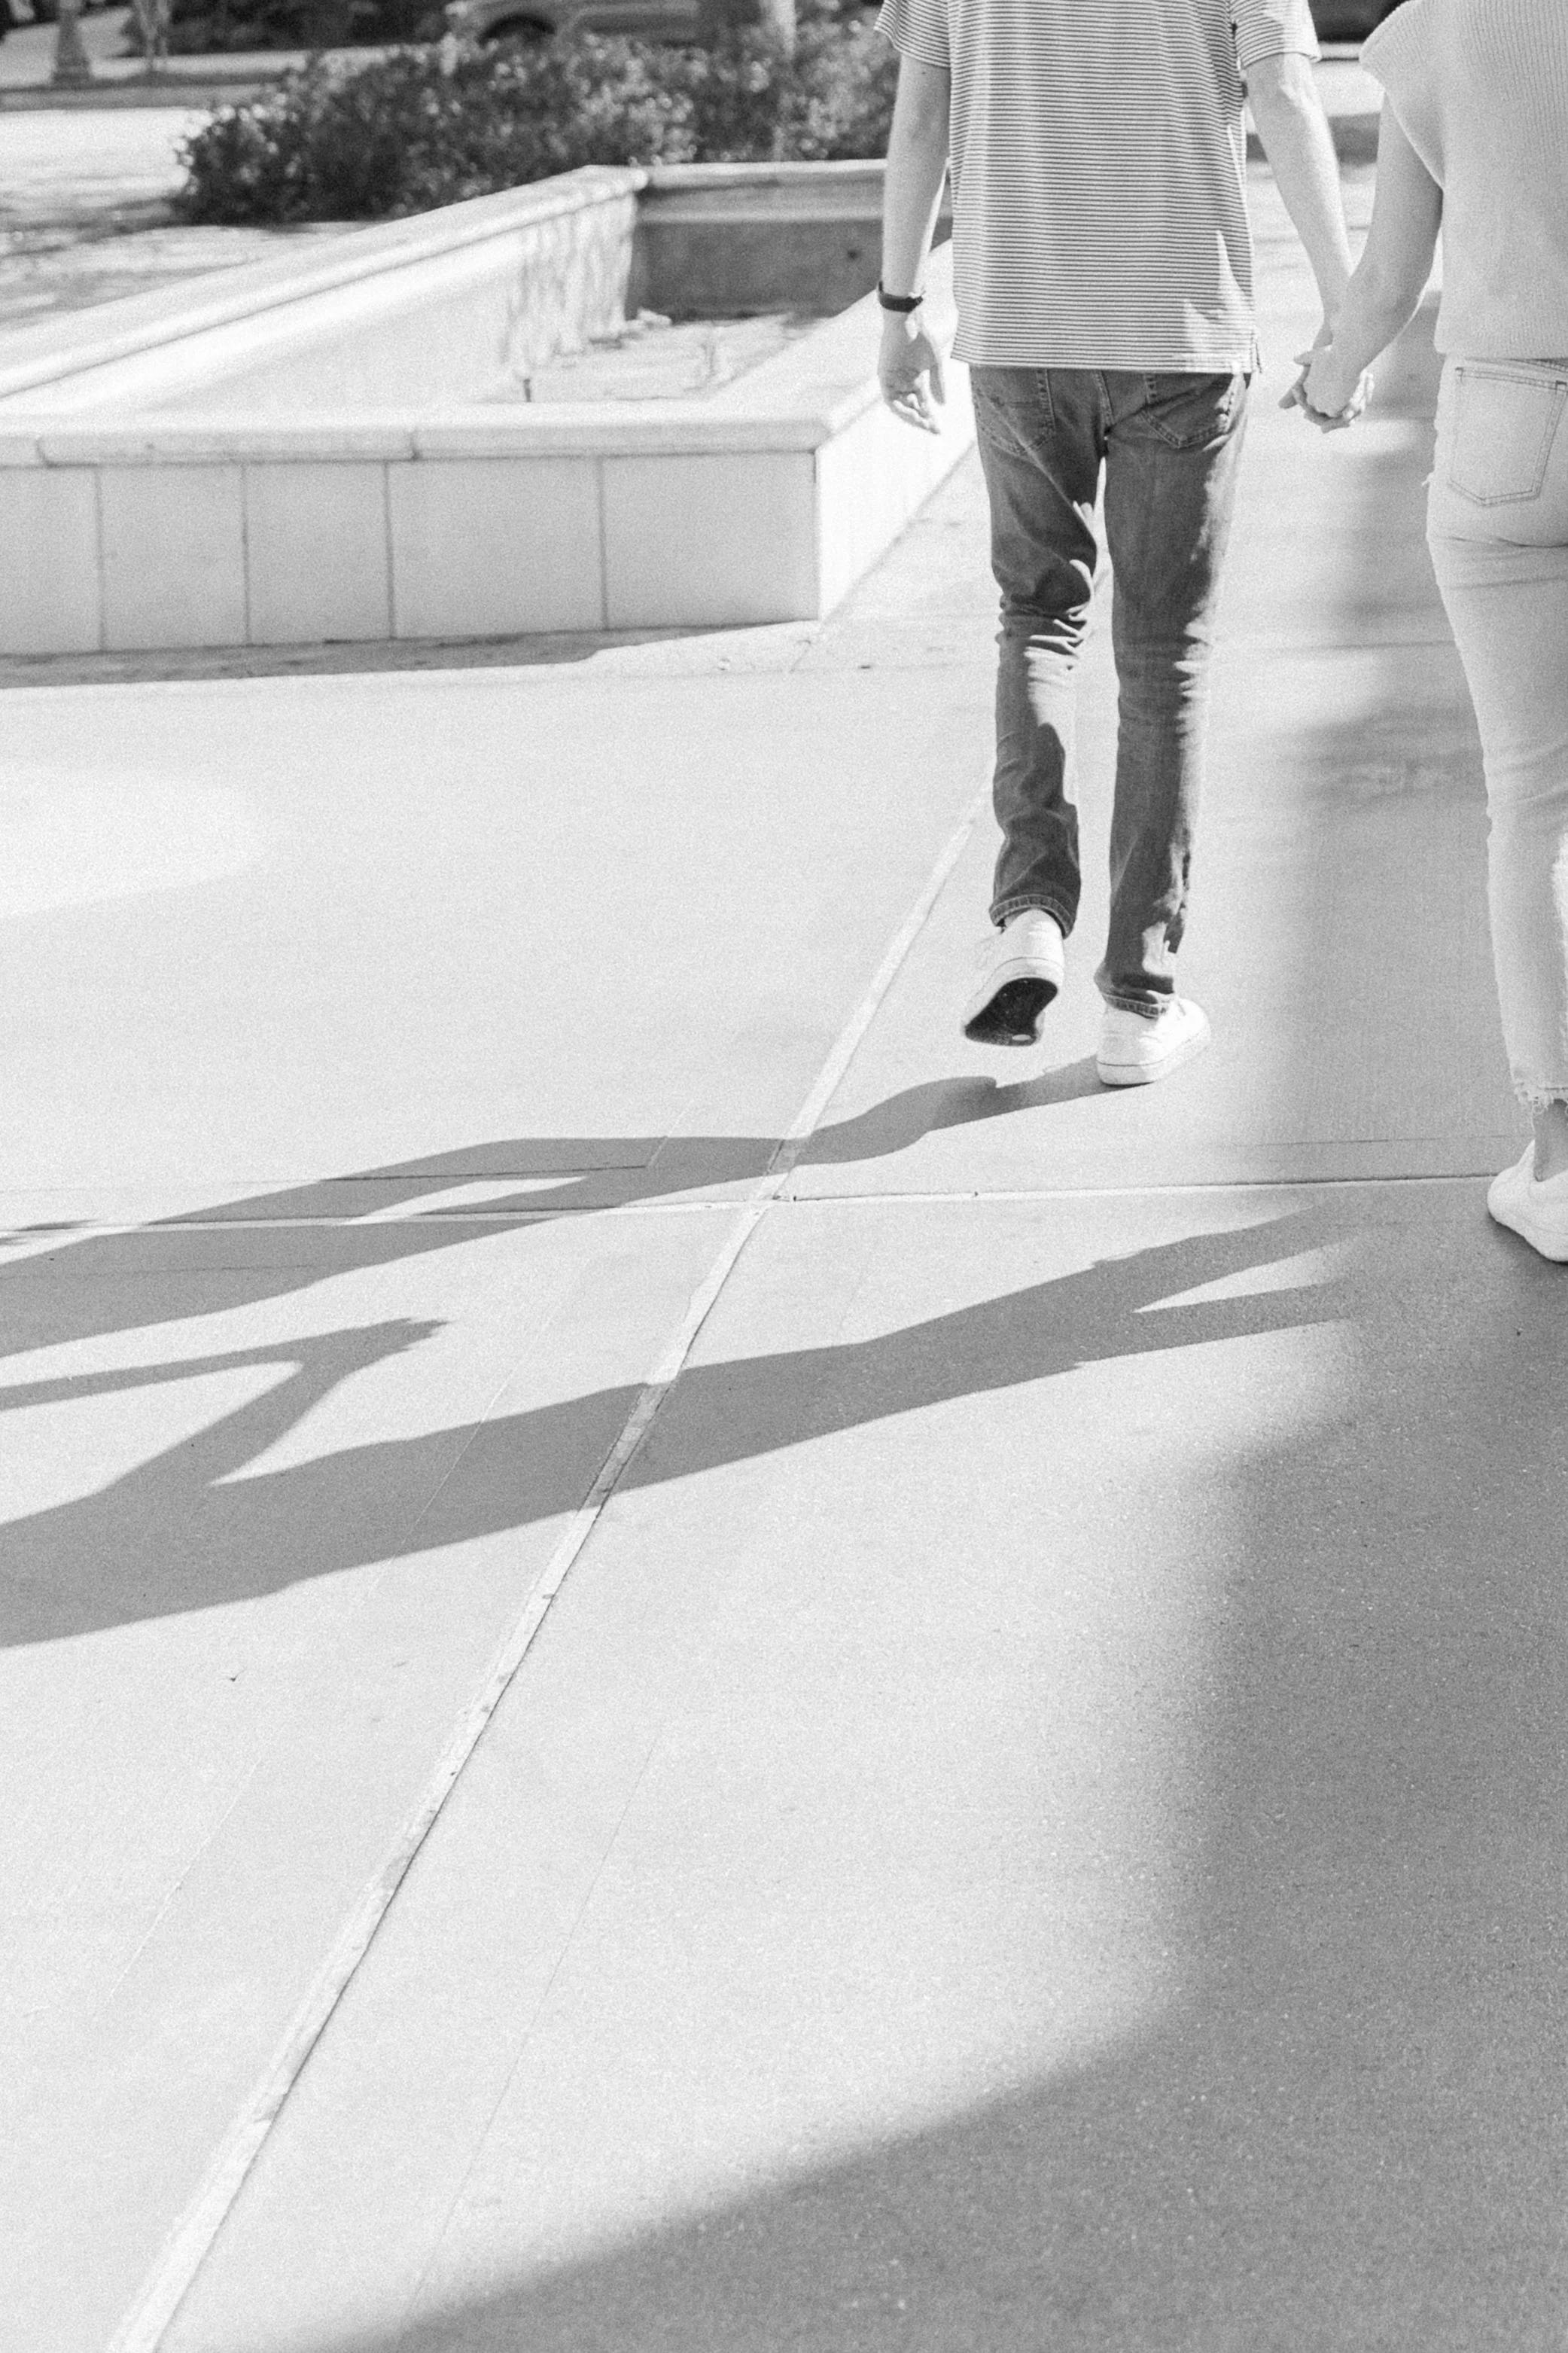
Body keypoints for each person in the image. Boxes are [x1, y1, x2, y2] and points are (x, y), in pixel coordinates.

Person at [875, 0, 1359, 1086]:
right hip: (1178, 332)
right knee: (1161, 659)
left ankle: (1027, 913)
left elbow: (919, 123)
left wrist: (897, 304)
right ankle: (1136, 1000)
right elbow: (1282, 95)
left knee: (1037, 618)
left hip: (1020, 332)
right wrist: (1347, 308)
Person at [1302, 0, 1568, 1257]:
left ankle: (1560, 1168)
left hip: (1506, 426)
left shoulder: (1438, 27)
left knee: (1535, 803)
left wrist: (1326, 377)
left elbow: (1385, 285)